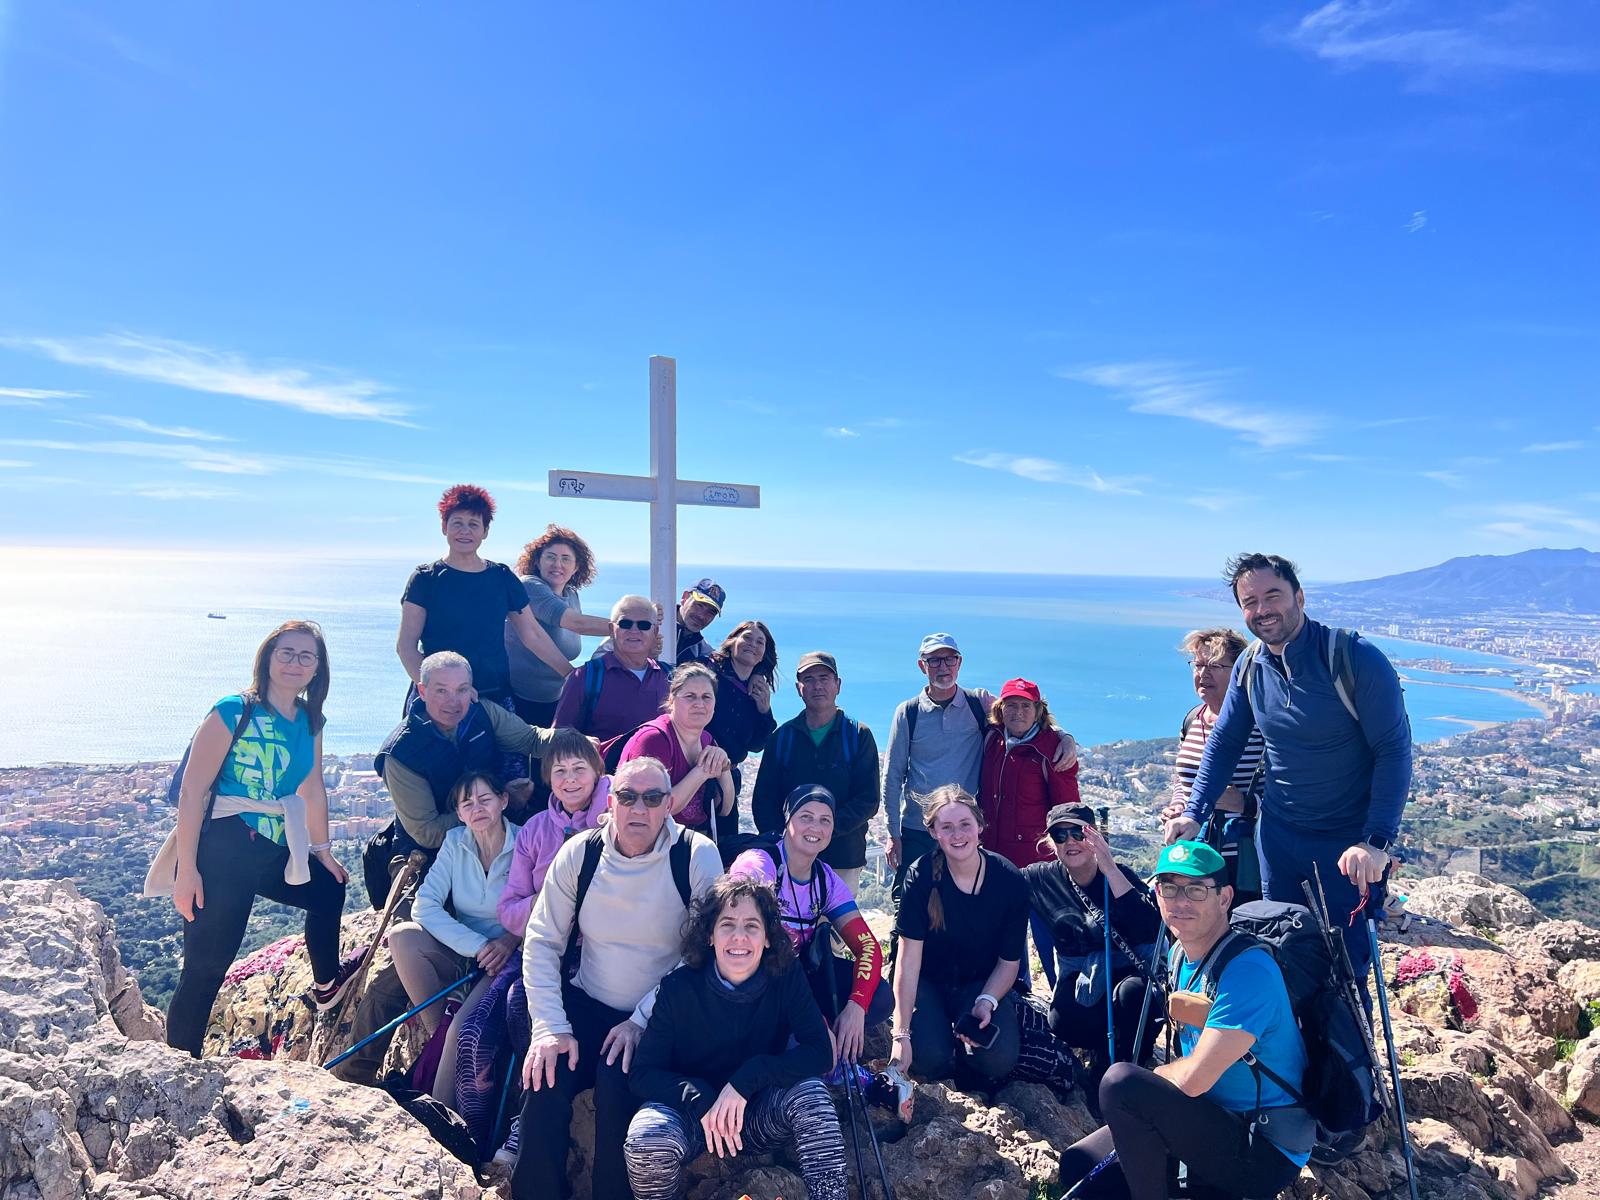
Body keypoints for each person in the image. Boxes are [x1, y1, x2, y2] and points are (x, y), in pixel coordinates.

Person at [1164, 553, 1413, 985]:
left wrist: (1376, 842)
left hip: (1344, 846)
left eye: (1272, 596)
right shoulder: (1250, 665)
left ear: (1299, 596)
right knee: (1279, 955)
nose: (1262, 610)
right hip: (1278, 840)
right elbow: (1224, 742)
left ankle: (1347, 1054)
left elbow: (1394, 750)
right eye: (1250, 601)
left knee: (1344, 971)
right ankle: (1288, 1052)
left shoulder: (1353, 658)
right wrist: (1195, 811)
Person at [514, 757, 723, 1200]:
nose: (639, 809)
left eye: (652, 798)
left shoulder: (695, 855)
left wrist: (642, 1018)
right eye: (627, 797)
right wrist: (550, 1027)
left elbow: (705, 953)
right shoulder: (581, 853)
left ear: (670, 805)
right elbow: (542, 941)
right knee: (546, 1079)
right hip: (589, 1002)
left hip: (662, 1013)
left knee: (616, 1086)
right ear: (610, 803)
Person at [1057, 841, 1312, 1200]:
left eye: (1196, 889)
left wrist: (1152, 1081)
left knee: (1120, 1083)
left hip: (1263, 1146)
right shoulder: (1179, 955)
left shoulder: (1248, 971)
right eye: (1170, 888)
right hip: (1211, 1116)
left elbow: (1193, 1080)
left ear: (1224, 898)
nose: (1181, 902)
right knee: (1080, 1165)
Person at [147, 620, 350, 1057]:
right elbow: (192, 790)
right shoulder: (233, 710)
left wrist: (323, 851)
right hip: (223, 845)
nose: (295, 663)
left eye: (306, 656)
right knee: (206, 967)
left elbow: (312, 787)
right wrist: (187, 872)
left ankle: (327, 984)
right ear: (268, 658)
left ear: (318, 669)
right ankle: (180, 1064)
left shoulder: (310, 721)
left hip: (274, 844)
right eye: (287, 653)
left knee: (329, 888)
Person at [623, 875, 850, 1200]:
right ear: (710, 936)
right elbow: (643, 1074)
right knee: (646, 1137)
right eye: (727, 924)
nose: (739, 937)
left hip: (757, 1115)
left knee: (811, 1095)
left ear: (769, 937)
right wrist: (699, 1097)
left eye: (752, 926)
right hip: (693, 1121)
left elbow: (820, 1052)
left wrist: (746, 1081)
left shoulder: (786, 977)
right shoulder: (678, 988)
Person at [454, 729, 614, 1163]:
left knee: (518, 1005)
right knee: (472, 1038)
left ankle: (526, 1122)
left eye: (580, 768)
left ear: (597, 770)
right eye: (559, 770)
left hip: (592, 952)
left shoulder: (619, 813)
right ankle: (472, 1143)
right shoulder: (537, 831)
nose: (570, 779)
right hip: (538, 944)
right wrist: (556, 902)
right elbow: (509, 909)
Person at [883, 634, 1076, 929]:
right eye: (934, 660)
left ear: (959, 663)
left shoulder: (977, 702)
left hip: (965, 829)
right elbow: (893, 776)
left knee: (962, 904)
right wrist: (892, 832)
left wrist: (1064, 736)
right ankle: (904, 969)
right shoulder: (907, 712)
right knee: (909, 905)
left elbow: (1023, 713)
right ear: (923, 666)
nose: (943, 667)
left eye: (950, 659)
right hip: (917, 829)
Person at [730, 785, 892, 1066]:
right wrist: (812, 1018)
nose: (815, 826)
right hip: (752, 978)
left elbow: (867, 946)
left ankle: (812, 1044)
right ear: (787, 820)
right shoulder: (760, 865)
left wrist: (856, 1005)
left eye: (824, 820)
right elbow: (741, 943)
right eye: (806, 816)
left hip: (795, 978)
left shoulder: (824, 879)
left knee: (878, 997)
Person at [386, 771, 520, 1108]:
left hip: (506, 958)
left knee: (463, 1028)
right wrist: (477, 945)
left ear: (503, 801)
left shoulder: (524, 842)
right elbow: (425, 904)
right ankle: (438, 1035)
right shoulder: (455, 841)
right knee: (402, 937)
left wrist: (507, 941)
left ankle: (441, 1119)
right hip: (469, 950)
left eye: (485, 799)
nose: (477, 808)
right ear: (459, 813)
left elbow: (542, 903)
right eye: (467, 803)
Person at [889, 786, 1029, 1089]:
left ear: (980, 827)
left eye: (965, 824)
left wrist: (986, 1002)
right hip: (928, 982)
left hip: (979, 983)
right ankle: (944, 1048)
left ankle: (967, 1059)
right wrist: (900, 1034)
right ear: (933, 833)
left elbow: (1009, 962)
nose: (957, 835)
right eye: (947, 827)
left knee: (998, 1059)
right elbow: (908, 958)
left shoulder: (1009, 881)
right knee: (927, 1057)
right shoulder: (921, 876)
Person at [1023, 804, 1161, 1100]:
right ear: (1051, 843)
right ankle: (1101, 1053)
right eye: (1061, 835)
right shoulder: (1041, 879)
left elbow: (1149, 928)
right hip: (1083, 974)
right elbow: (996, 880)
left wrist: (1109, 869)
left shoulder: (1119, 874)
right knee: (1063, 1020)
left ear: (1096, 836)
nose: (1071, 841)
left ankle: (1128, 1067)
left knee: (1135, 996)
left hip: (1128, 973)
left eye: (1079, 832)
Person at [398, 484, 572, 710]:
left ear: (485, 531)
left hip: (493, 696)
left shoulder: (501, 577)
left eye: (473, 524)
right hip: (437, 702)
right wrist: (438, 691)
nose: (465, 531)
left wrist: (571, 675)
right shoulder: (425, 579)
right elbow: (406, 646)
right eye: (457, 523)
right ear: (444, 527)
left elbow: (533, 635)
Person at [374, 651, 555, 867]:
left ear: (472, 690)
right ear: (422, 691)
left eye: (462, 690)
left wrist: (577, 741)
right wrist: (494, 806)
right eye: (441, 691)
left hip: (495, 833)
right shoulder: (401, 753)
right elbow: (428, 832)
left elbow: (532, 740)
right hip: (431, 854)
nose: (454, 702)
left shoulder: (482, 713)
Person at [978, 678, 1082, 987]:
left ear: (1038, 711)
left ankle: (1064, 1002)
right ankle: (1017, 1000)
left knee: (1048, 938)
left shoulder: (1052, 750)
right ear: (1000, 709)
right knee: (1006, 940)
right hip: (995, 861)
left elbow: (1067, 811)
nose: (1018, 712)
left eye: (1026, 705)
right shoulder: (992, 740)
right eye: (1011, 705)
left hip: (1039, 868)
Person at [751, 651, 881, 893]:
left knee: (837, 928)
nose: (817, 685)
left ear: (838, 685)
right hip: (790, 859)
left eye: (824, 678)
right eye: (808, 679)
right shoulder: (782, 738)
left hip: (843, 859)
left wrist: (823, 830)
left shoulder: (858, 735)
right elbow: (764, 799)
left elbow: (868, 800)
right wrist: (786, 841)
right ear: (799, 688)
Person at [1160, 628, 1266, 904]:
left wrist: (1245, 803)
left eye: (1215, 666)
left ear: (1240, 671)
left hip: (1242, 860)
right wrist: (1179, 807)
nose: (1202, 674)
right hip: (1194, 852)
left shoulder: (1259, 725)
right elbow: (1183, 782)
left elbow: (1289, 794)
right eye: (1198, 665)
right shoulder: (1193, 720)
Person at [505, 526, 613, 727]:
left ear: (576, 566)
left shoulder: (571, 595)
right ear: (537, 561)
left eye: (565, 559)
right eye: (550, 557)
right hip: (518, 701)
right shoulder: (529, 587)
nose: (557, 564)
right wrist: (631, 627)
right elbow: (577, 624)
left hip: (556, 699)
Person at [618, 663, 734, 841]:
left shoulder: (707, 740)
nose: (699, 704)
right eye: (690, 696)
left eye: (706, 697)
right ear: (672, 700)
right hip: (647, 846)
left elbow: (724, 809)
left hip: (689, 842)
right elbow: (653, 808)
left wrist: (724, 766)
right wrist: (701, 772)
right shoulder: (653, 740)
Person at [553, 594, 671, 743]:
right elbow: (559, 737)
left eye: (644, 625)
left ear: (655, 632)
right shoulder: (585, 677)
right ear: (611, 629)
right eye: (625, 624)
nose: (634, 630)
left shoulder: (671, 677)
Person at [705, 620, 778, 845]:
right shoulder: (708, 672)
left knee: (723, 847)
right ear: (732, 641)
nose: (752, 645)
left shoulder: (756, 690)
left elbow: (757, 744)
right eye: (747, 637)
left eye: (760, 642)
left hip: (730, 778)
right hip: (696, 770)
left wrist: (764, 710)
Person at [671, 577, 726, 666]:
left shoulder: (703, 652)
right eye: (699, 605)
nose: (702, 616)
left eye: (711, 612)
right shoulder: (651, 625)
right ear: (685, 598)